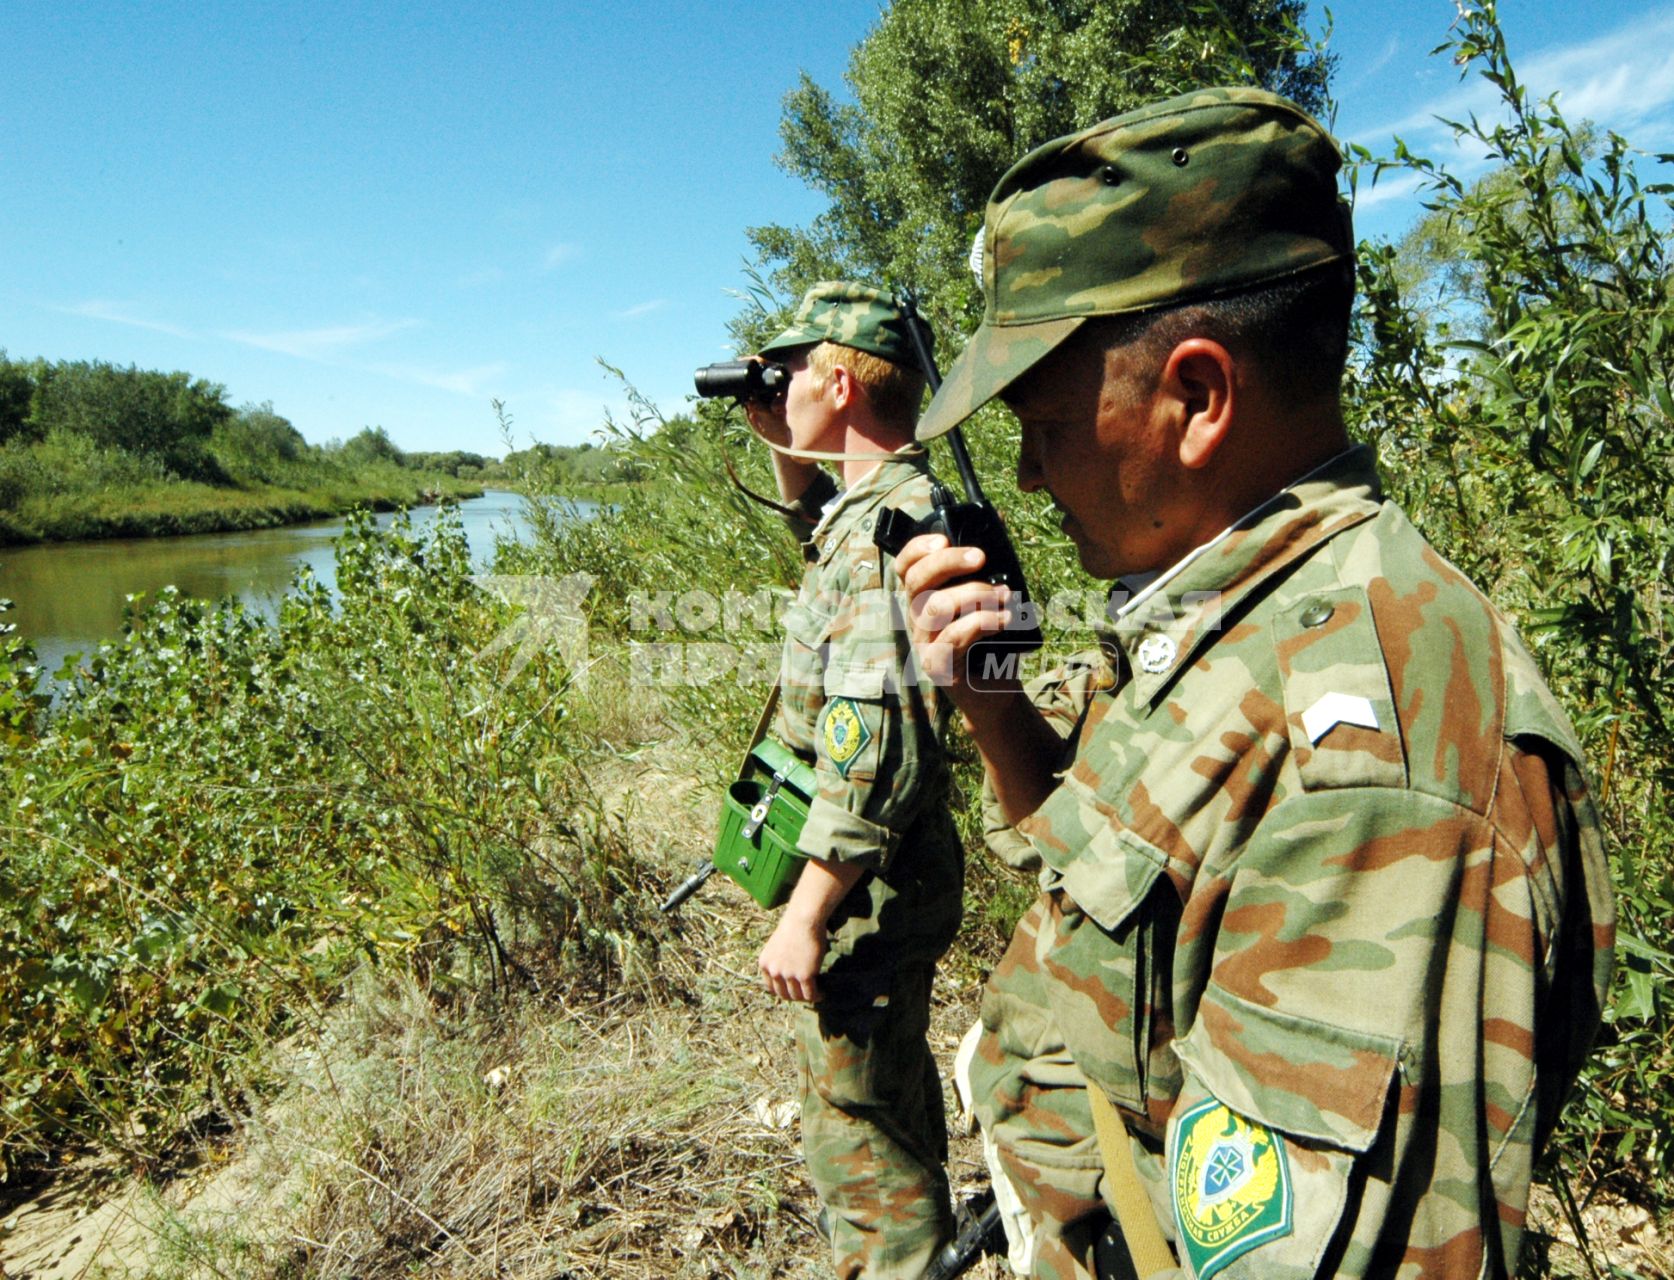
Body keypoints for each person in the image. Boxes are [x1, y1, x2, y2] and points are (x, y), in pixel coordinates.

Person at [896, 88, 1616, 1279]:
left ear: (1196, 397)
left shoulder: (1378, 775)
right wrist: (994, 704)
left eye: (1047, 423)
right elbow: (1127, 896)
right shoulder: (1233, 622)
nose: (1024, 471)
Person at [740, 282, 963, 1278]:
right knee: (886, 1101)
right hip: (880, 880)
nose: (779, 388)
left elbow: (876, 736)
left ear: (840, 380)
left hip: (869, 886)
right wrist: (789, 453)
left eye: (791, 375)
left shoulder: (893, 526)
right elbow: (824, 544)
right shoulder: (880, 507)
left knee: (860, 1139)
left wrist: (810, 907)